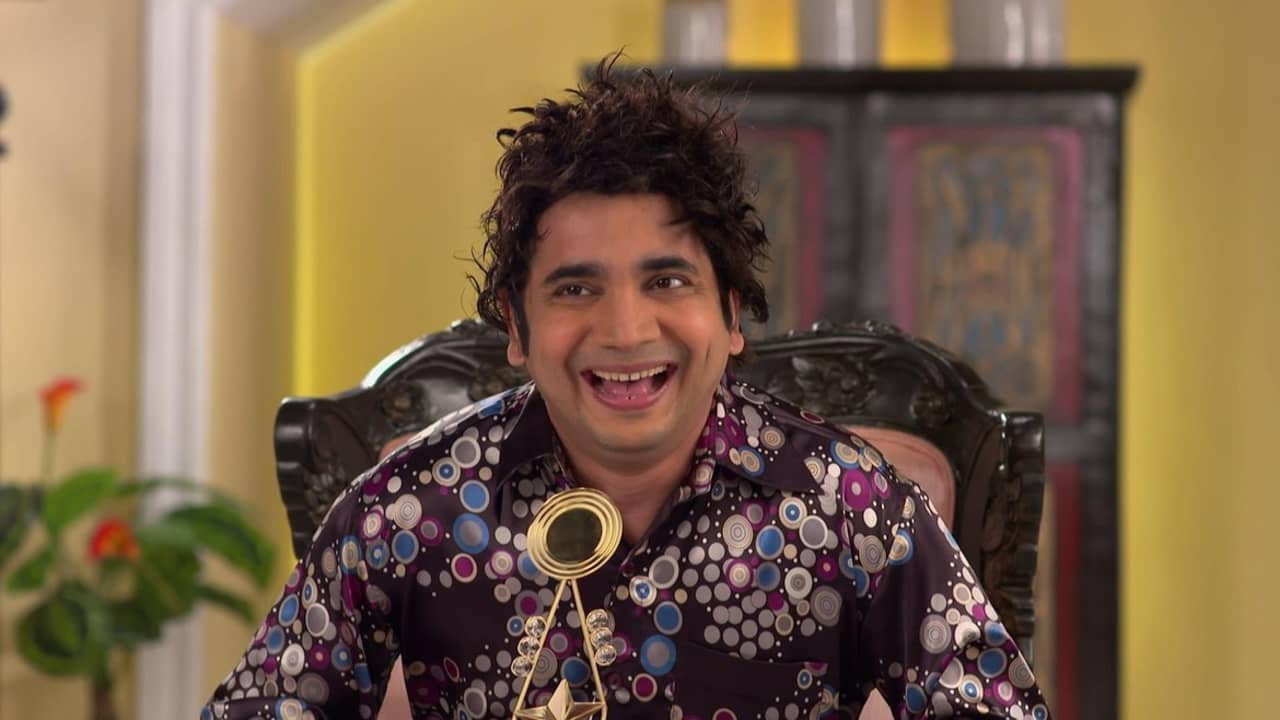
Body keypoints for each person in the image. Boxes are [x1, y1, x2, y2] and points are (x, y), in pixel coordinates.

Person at [203, 55, 1051, 720]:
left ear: (730, 313)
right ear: (515, 326)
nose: (625, 330)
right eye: (576, 288)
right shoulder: (402, 510)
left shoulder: (853, 505)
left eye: (666, 281)